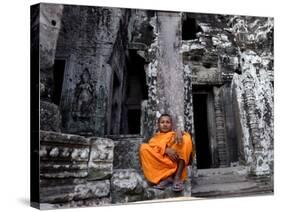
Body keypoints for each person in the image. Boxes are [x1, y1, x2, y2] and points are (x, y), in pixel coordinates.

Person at [139, 114, 193, 192]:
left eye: (168, 122)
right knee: (143, 148)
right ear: (158, 125)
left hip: (175, 162)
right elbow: (152, 146)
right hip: (163, 165)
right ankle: (166, 178)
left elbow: (184, 141)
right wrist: (165, 149)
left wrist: (179, 131)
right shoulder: (155, 138)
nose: (165, 124)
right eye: (162, 122)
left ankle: (177, 177)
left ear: (171, 125)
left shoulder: (175, 135)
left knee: (186, 139)